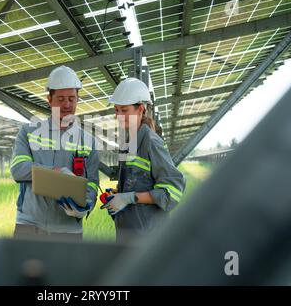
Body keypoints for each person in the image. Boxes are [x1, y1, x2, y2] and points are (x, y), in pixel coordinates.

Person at [10, 65, 100, 241]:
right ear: (49, 99)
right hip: (29, 226)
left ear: (77, 99)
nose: (67, 105)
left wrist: (85, 206)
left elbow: (92, 184)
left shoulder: (88, 141)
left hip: (68, 230)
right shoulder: (28, 132)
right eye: (60, 99)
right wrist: (56, 173)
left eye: (71, 99)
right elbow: (19, 169)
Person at [101, 77, 186, 243]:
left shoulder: (151, 142)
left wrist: (130, 198)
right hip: (128, 233)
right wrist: (120, 194)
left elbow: (173, 191)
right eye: (116, 110)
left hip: (148, 237)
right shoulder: (128, 142)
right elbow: (138, 183)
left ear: (140, 109)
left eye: (124, 110)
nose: (118, 116)